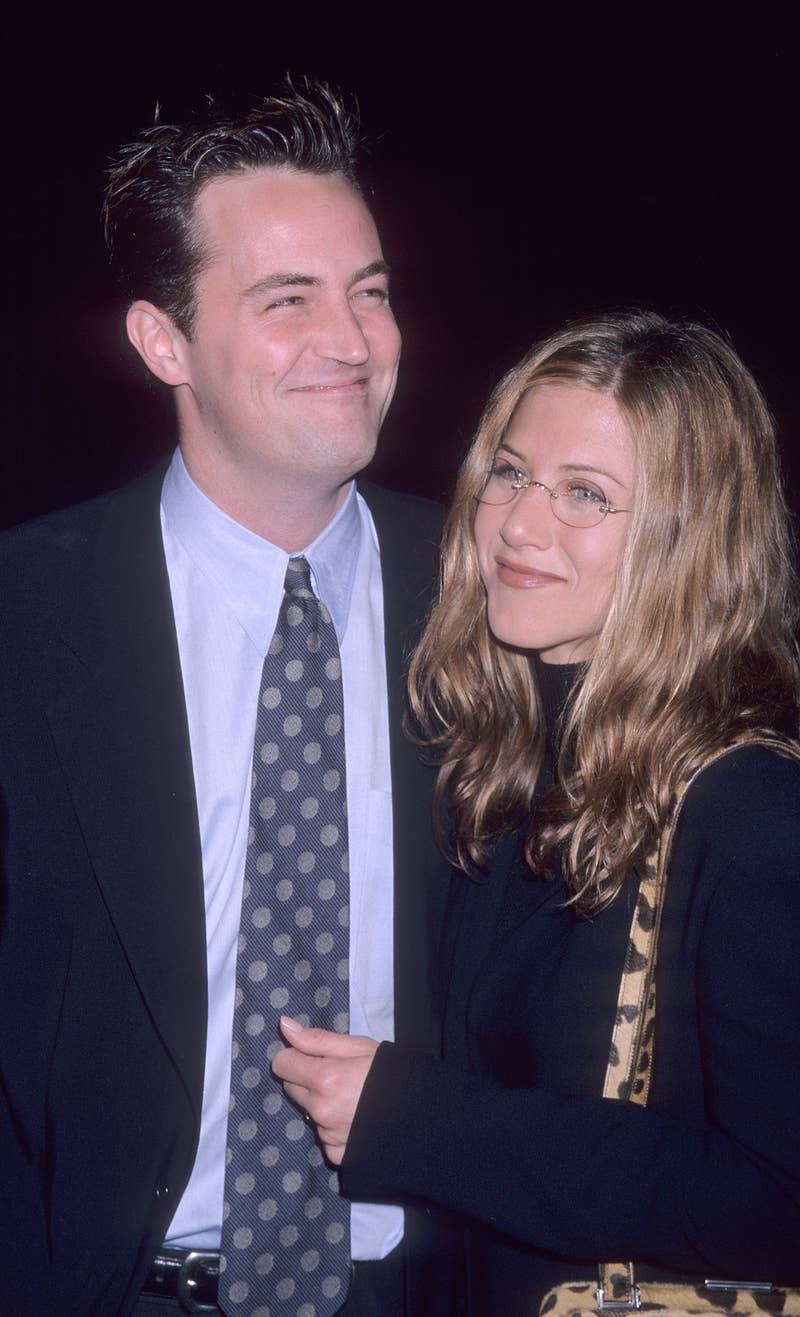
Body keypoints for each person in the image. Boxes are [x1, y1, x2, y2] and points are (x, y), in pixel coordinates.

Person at [0, 80, 463, 1316]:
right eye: (286, 300)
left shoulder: (494, 603)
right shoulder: (26, 619)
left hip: (419, 1287)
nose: (353, 341)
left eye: (368, 290)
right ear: (163, 343)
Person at [274, 311, 800, 1314]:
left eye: (585, 495)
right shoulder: (499, 763)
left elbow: (779, 1194)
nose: (518, 525)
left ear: (687, 537)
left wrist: (429, 1125)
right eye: (509, 473)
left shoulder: (747, 808)